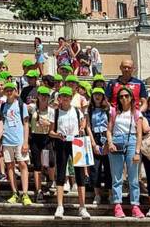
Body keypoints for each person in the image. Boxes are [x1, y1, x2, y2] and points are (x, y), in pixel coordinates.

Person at [48, 86, 90, 219]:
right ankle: (60, 206)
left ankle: (82, 207)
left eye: (67, 96)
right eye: (63, 96)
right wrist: (58, 135)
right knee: (60, 174)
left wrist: (82, 127)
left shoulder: (77, 111)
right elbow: (51, 132)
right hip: (62, 143)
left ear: (71, 98)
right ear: (59, 98)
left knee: (80, 175)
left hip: (77, 142)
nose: (65, 98)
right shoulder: (54, 112)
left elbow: (83, 121)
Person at [106, 86, 144, 219]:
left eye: (126, 96)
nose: (123, 98)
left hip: (132, 141)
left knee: (133, 178)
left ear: (131, 98)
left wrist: (138, 152)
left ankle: (135, 206)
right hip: (116, 141)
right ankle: (117, 205)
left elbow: (139, 134)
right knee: (117, 177)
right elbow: (109, 130)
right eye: (121, 96)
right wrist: (110, 143)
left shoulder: (137, 113)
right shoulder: (114, 112)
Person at [1, 81, 32, 206]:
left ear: (15, 91)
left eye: (11, 90)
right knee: (10, 166)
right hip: (6, 140)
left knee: (23, 165)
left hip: (19, 140)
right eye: (7, 90)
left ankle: (25, 193)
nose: (9, 92)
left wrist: (25, 142)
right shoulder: (3, 106)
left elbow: (26, 124)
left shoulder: (21, 105)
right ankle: (15, 193)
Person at [86, 87, 111, 206]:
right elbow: (88, 127)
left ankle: (110, 193)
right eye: (95, 94)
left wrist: (108, 142)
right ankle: (97, 194)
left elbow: (111, 125)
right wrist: (93, 144)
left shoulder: (108, 109)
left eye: (100, 94)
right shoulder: (89, 110)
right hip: (95, 137)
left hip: (107, 137)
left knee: (108, 167)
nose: (97, 96)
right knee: (95, 168)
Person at [28, 85, 53, 203]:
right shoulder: (32, 108)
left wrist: (46, 123)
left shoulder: (51, 110)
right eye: (42, 95)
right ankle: (38, 191)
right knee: (37, 165)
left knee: (50, 161)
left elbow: (54, 125)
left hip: (46, 137)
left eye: (46, 96)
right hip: (35, 137)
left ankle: (50, 182)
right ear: (38, 96)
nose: (44, 98)